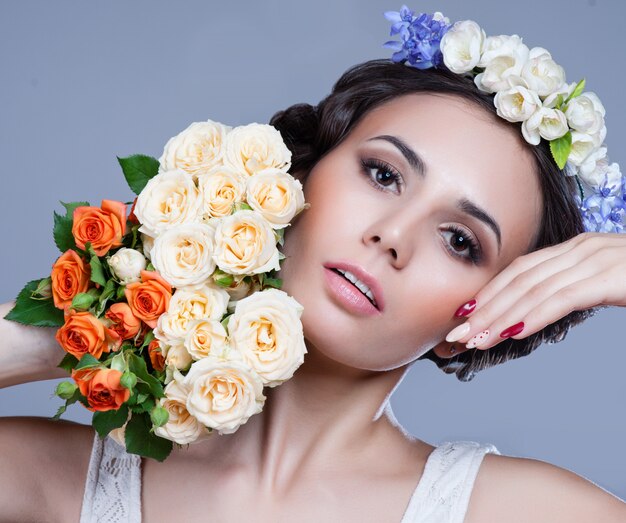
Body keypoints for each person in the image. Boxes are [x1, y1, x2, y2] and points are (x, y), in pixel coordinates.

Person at [1, 15, 626, 523]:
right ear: (297, 174)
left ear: (498, 304)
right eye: (383, 175)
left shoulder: (518, 512)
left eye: (460, 241)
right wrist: (77, 331)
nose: (391, 236)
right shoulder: (45, 479)